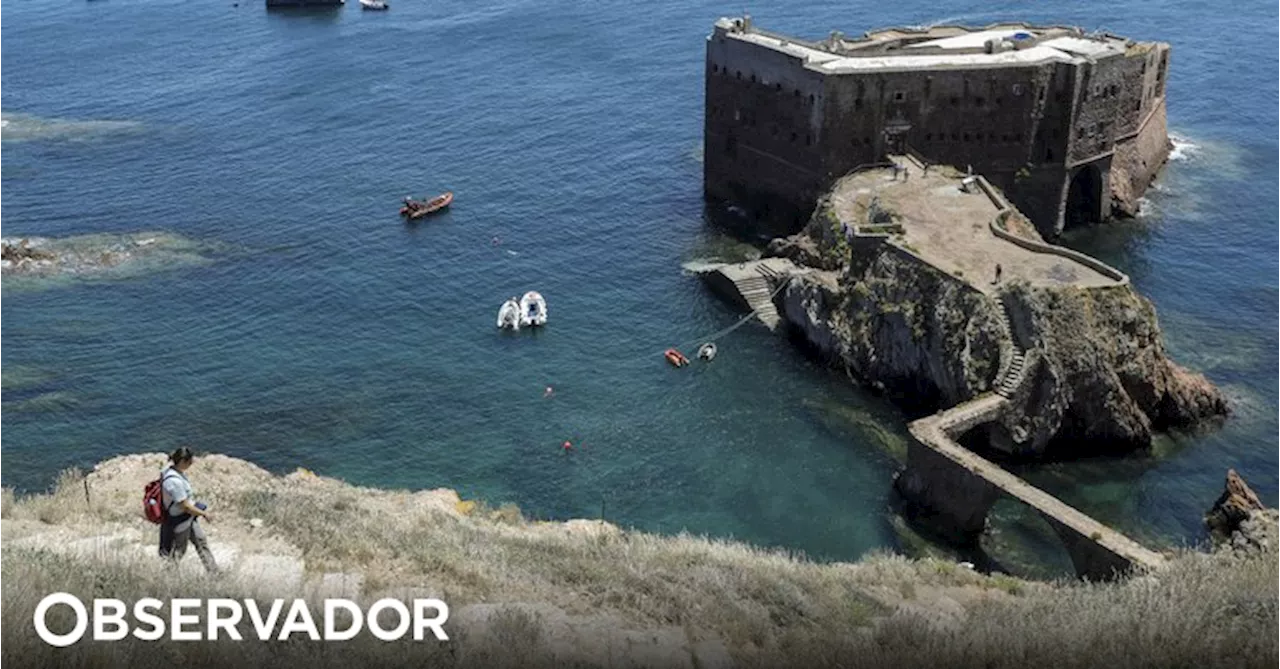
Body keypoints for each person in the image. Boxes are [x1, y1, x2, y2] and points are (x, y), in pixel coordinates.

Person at [158, 447, 219, 574]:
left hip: (188, 517)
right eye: (189, 462)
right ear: (182, 462)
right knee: (180, 550)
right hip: (180, 519)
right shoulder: (174, 482)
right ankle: (169, 575)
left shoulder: (169, 470)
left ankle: (214, 572)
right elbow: (184, 506)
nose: (191, 464)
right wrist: (204, 514)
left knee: (201, 542)